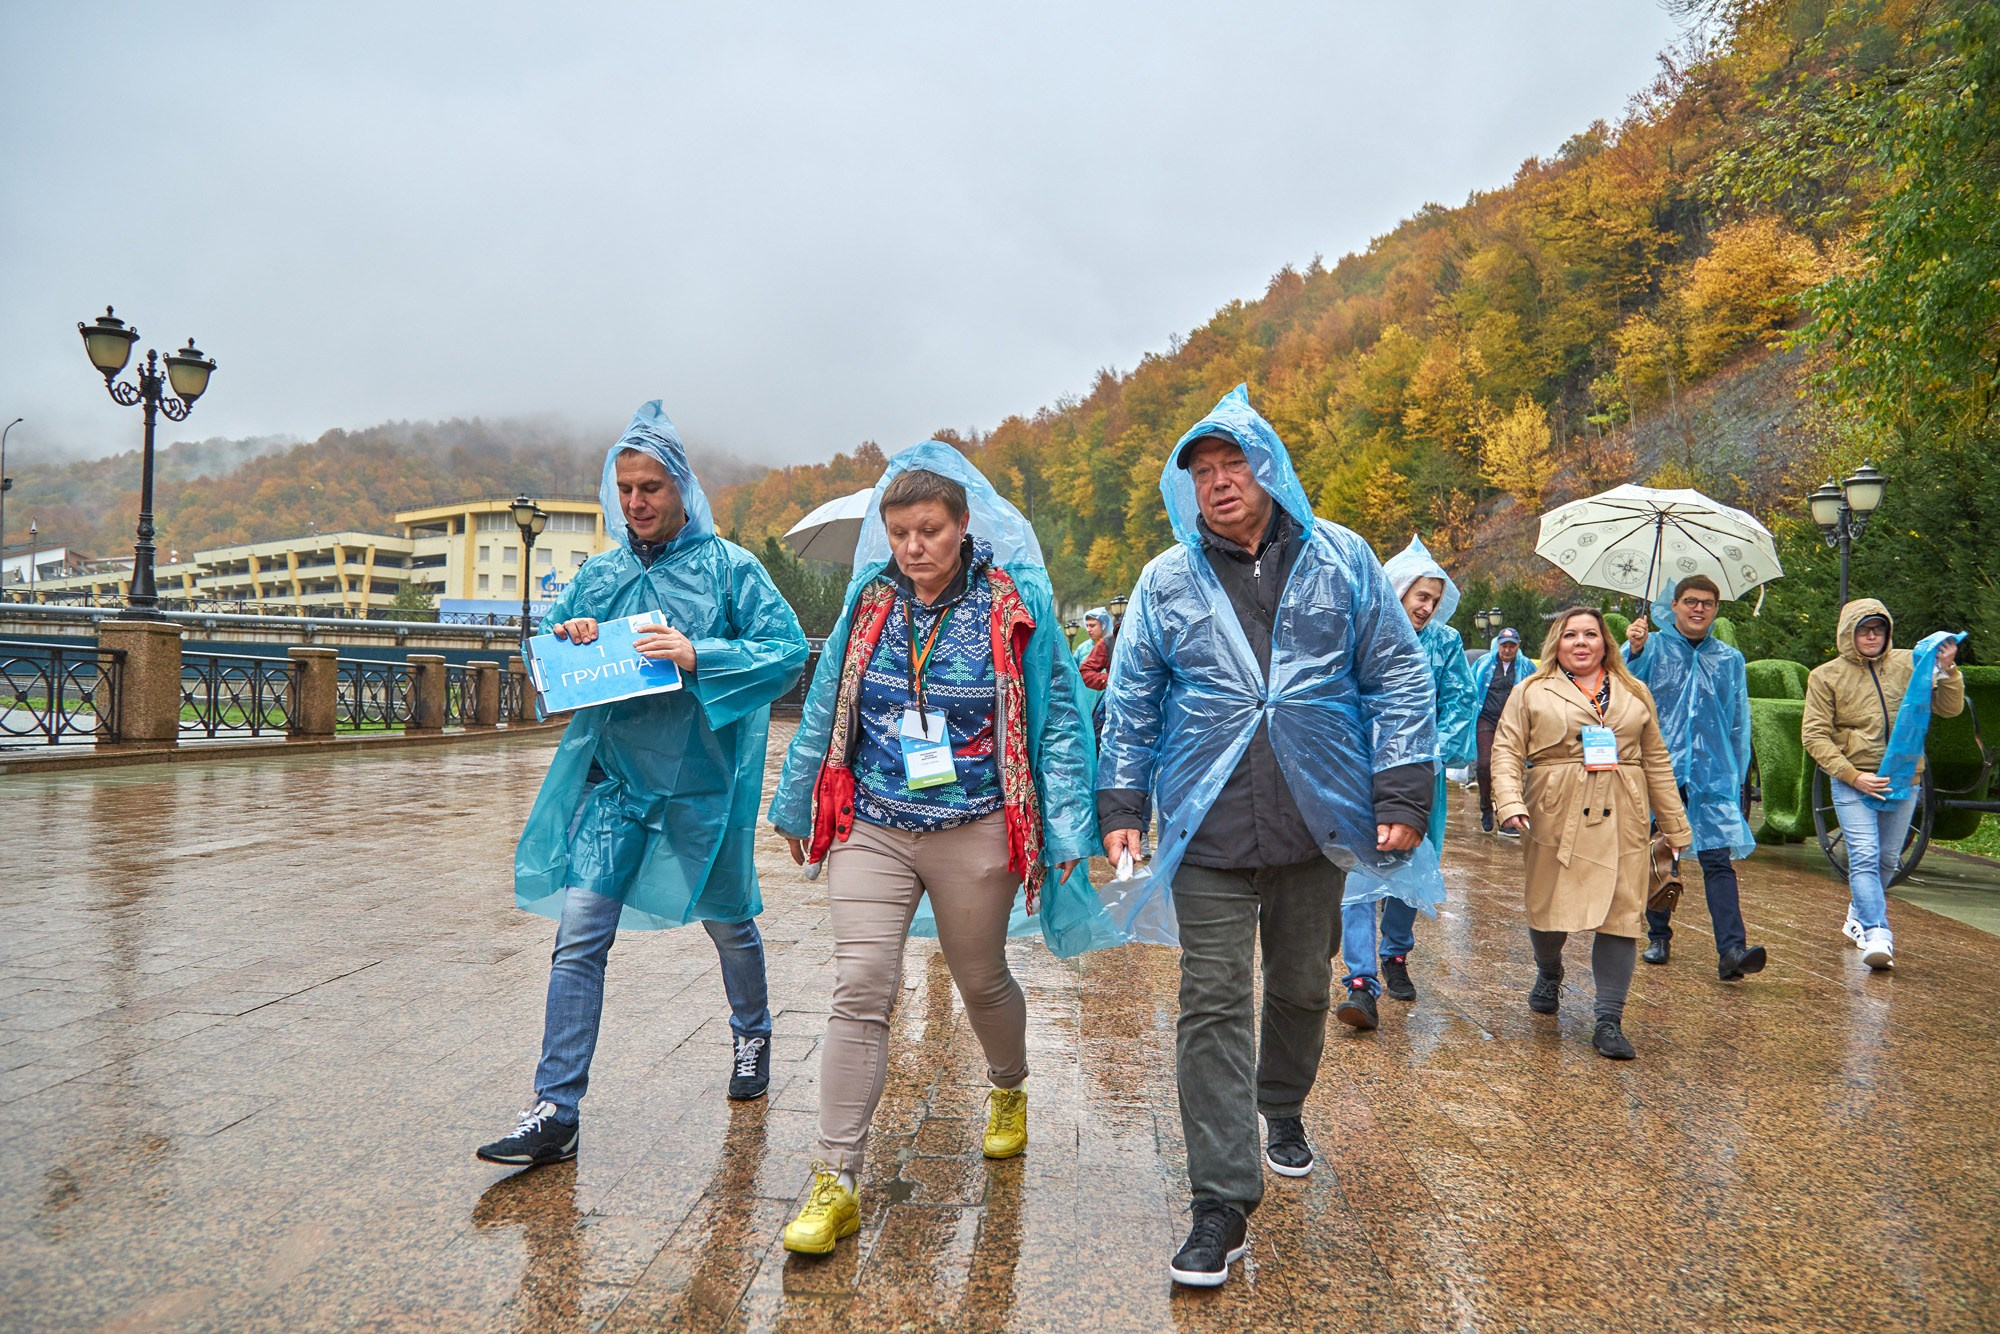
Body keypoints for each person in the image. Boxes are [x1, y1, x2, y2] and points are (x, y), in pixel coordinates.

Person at [1096, 385, 1439, 1288]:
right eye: (1201, 472)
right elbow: (1132, 699)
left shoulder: (1344, 559)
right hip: (1207, 827)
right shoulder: (1166, 580)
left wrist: (1402, 786)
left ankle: (1280, 1103)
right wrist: (1123, 807)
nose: (1217, 484)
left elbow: (1397, 675)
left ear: (1269, 467)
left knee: (1296, 987)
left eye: (1231, 465)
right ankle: (1219, 1202)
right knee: (1210, 1004)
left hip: (1315, 821)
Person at [768, 444, 1115, 1256]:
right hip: (876, 823)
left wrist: (1064, 831)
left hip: (976, 826)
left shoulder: (1010, 606)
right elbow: (826, 707)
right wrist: (794, 808)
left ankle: (1008, 1086)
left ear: (963, 528)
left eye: (929, 530)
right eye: (899, 533)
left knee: (980, 977)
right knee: (861, 985)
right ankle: (836, 1178)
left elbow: (1058, 720)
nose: (913, 547)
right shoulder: (871, 605)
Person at [476, 402, 809, 1168]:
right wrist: (570, 640)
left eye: (651, 487)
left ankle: (751, 1033)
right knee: (580, 935)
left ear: (683, 486)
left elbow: (786, 649)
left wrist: (702, 654)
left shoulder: (732, 569)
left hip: (703, 783)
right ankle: (556, 1111)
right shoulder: (598, 575)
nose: (636, 503)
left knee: (728, 920)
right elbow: (546, 664)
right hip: (616, 783)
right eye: (625, 488)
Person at [1490, 606, 1690, 1061]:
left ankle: (1608, 1019)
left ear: (1606, 643)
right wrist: (1510, 803)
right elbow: (1506, 749)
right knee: (1547, 909)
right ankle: (1549, 970)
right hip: (1555, 810)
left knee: (1621, 912)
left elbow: (1655, 759)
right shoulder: (1531, 689)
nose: (1581, 643)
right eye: (1570, 635)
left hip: (1624, 809)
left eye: (1591, 635)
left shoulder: (1633, 691)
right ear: (1556, 644)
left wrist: (1675, 825)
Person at [1339, 534, 1479, 1011]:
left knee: (1411, 861)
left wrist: (1432, 749)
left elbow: (1460, 698)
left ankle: (1395, 952)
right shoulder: (1362, 632)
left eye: (1435, 600)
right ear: (1397, 587)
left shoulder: (1446, 642)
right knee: (1357, 867)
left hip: (1421, 774)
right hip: (1363, 768)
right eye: (1422, 596)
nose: (1427, 607)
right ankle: (1360, 979)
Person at [1801, 598, 1964, 970]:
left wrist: (1947, 667)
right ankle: (1877, 932)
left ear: (1887, 631)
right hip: (1853, 780)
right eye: (1864, 629)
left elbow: (1949, 708)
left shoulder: (1910, 663)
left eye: (1878, 628)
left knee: (1888, 858)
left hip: (1904, 776)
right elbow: (1814, 736)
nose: (1872, 635)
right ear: (1849, 633)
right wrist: (1852, 775)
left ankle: (1858, 915)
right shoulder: (1825, 676)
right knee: (1864, 855)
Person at [1623, 576, 1767, 979]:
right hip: (1661, 766)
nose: (1698, 609)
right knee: (1660, 855)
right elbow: (1621, 687)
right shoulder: (1651, 647)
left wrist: (1737, 775)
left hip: (1712, 771)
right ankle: (1659, 935)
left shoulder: (1730, 659)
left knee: (1717, 859)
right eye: (1690, 601)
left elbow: (1739, 719)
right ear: (1675, 604)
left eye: (1707, 603)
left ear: (1716, 609)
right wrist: (1633, 650)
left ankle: (1732, 950)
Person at [1472, 628, 1535, 835]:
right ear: (1497, 644)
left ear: (1518, 645)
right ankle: (1485, 808)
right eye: (1504, 645)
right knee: (1484, 764)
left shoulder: (1527, 667)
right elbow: (1469, 688)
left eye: (1512, 645)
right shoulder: (1483, 664)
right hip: (1486, 719)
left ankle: (1506, 814)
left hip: (1512, 723)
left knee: (1510, 768)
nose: (1507, 649)